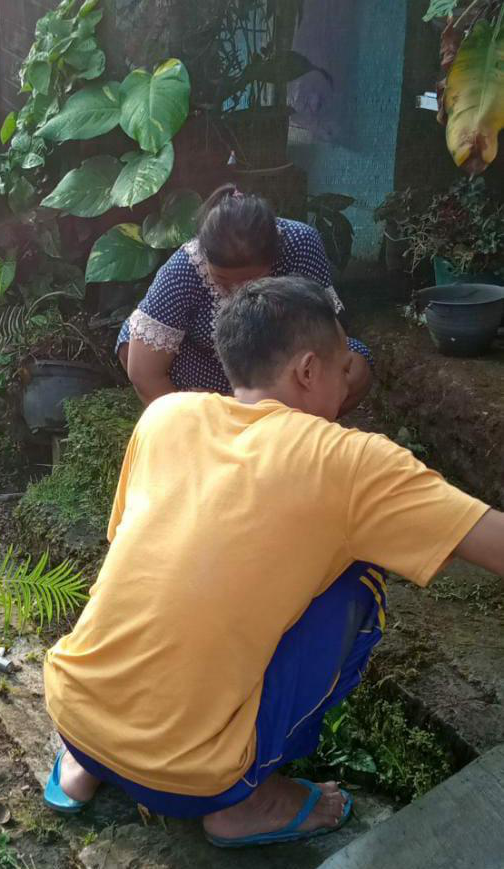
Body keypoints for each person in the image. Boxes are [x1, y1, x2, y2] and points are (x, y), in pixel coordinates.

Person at [42, 276, 504, 847]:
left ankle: (87, 764)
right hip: (191, 779)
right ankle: (249, 799)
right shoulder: (353, 461)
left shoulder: (167, 416)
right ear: (308, 371)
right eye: (343, 373)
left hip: (71, 709)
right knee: (360, 575)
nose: (345, 391)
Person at [117, 185, 373, 415]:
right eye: (223, 280)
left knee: (356, 365)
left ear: (275, 259)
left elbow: (325, 327)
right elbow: (143, 372)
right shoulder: (183, 270)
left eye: (250, 280)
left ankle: (295, 435)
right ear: (205, 259)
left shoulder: (301, 245)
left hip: (274, 360)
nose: (237, 291)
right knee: (136, 348)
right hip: (200, 363)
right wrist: (192, 424)